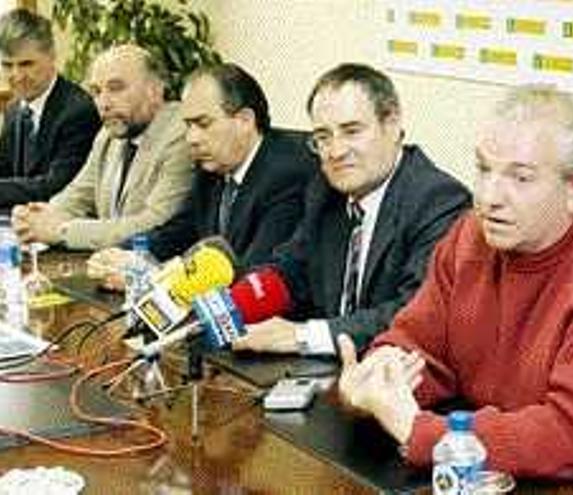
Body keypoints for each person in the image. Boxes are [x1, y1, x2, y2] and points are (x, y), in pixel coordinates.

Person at [336, 86, 573, 485]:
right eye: (484, 170)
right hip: (495, 473)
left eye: (519, 178)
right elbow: (421, 342)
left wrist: (421, 432)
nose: (488, 197)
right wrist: (380, 373)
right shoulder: (472, 236)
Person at [232, 63, 470, 353]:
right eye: (323, 137)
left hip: (399, 379)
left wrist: (302, 336)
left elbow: (414, 315)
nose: (336, 151)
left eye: (351, 131)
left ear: (392, 124)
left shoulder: (438, 201)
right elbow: (291, 269)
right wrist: (234, 304)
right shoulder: (326, 190)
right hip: (332, 373)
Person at [89, 63, 317, 276]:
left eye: (203, 124)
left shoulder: (286, 174)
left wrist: (151, 274)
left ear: (245, 121)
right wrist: (124, 254)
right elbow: (180, 230)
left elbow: (254, 271)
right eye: (188, 125)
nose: (192, 138)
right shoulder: (212, 167)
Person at [11, 44, 192, 249]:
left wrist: (62, 231)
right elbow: (78, 194)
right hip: (110, 268)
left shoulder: (181, 133)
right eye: (96, 91)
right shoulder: (108, 135)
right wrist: (35, 219)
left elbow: (153, 223)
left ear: (155, 90)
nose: (103, 103)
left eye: (116, 88)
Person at [0, 8, 100, 211]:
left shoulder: (79, 110)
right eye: (7, 65)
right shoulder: (13, 109)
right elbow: (6, 172)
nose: (17, 76)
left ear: (52, 56)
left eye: (26, 64)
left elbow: (57, 186)